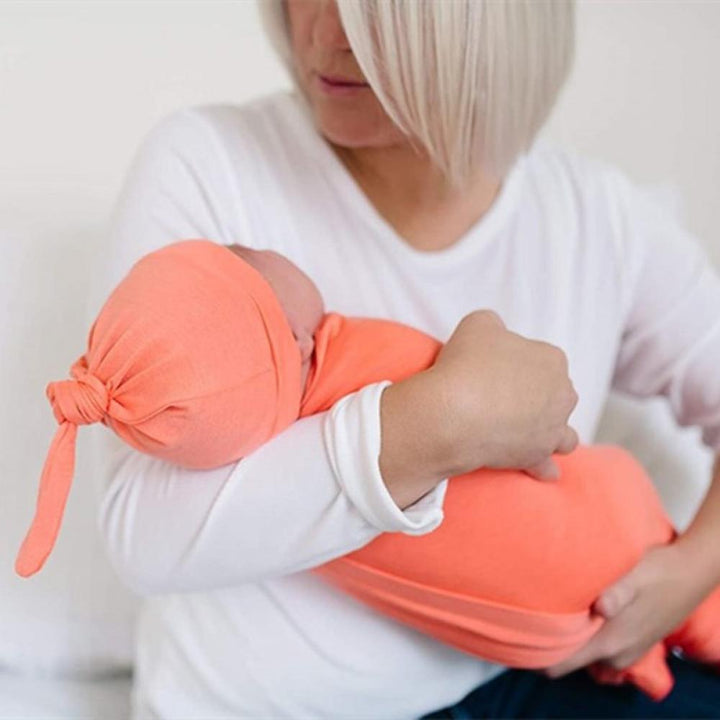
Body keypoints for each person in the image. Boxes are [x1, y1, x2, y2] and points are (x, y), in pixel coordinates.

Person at [89, 1, 720, 717]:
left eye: (372, 9)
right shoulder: (210, 162)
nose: (325, 35)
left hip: (521, 682)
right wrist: (438, 422)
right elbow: (140, 531)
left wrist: (693, 571)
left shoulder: (594, 216)